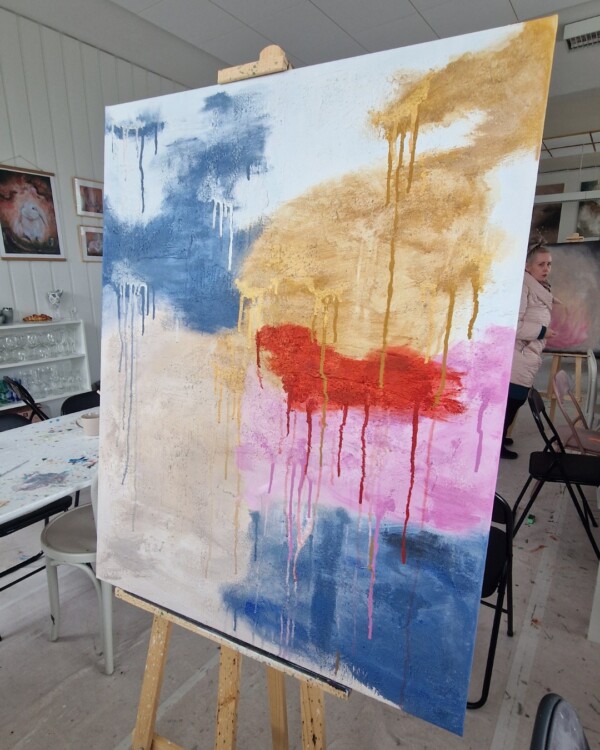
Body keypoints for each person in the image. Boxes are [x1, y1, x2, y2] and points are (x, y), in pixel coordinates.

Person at [501, 244, 555, 459]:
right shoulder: (524, 288)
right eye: (541, 264)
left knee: (514, 402)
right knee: (512, 402)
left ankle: (500, 438)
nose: (546, 268)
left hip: (527, 354)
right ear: (527, 266)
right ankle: (496, 446)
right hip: (518, 355)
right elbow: (513, 325)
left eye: (549, 264)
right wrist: (543, 331)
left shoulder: (540, 287)